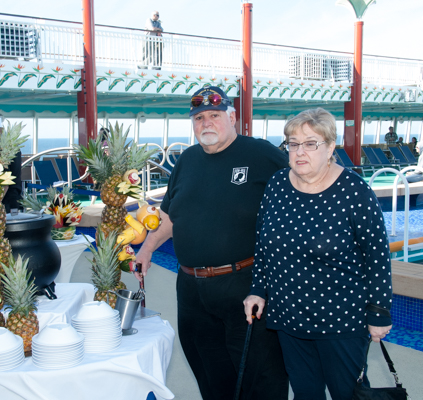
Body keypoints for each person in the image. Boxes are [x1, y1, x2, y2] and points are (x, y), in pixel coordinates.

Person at [134, 87, 289, 400]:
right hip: (192, 290)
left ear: (232, 117)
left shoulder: (260, 154)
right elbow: (169, 217)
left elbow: (304, 183)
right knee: (210, 376)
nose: (206, 123)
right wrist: (147, 249)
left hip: (244, 287)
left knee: (260, 377)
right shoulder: (187, 161)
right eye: (199, 117)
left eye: (215, 116)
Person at [244, 108, 392, 400]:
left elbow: (377, 256)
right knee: (306, 393)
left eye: (311, 143)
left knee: (346, 393)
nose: (300, 151)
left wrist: (379, 312)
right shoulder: (277, 185)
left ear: (330, 147)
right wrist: (257, 290)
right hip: (289, 317)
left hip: (342, 320)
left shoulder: (354, 191)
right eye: (293, 143)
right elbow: (263, 244)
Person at [0, 116, 23, 212]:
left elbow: (5, 180)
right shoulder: (13, 146)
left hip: (6, 201)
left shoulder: (1, 150)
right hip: (15, 196)